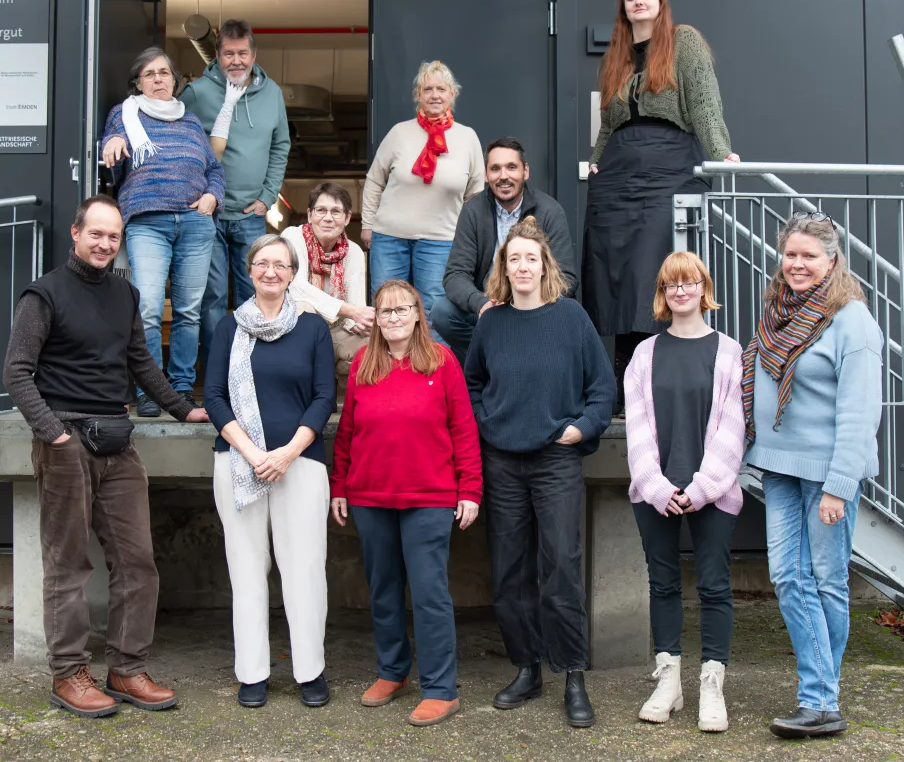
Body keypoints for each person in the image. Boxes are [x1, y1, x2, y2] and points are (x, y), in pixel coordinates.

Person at [2, 195, 209, 718]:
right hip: (65, 442)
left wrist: (184, 410)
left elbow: (141, 364)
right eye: (96, 234)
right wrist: (53, 434)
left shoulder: (125, 294)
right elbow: (16, 372)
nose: (105, 243)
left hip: (118, 442)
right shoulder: (43, 294)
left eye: (113, 236)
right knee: (68, 565)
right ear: (76, 234)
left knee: (138, 562)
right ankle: (69, 673)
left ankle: (127, 668)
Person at [463, 217, 616, 729]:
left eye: (531, 258)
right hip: (503, 460)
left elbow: (602, 388)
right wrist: (488, 425)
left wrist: (580, 429)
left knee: (561, 569)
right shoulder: (491, 322)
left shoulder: (570, 317)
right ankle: (527, 669)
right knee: (508, 572)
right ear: (502, 270)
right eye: (513, 259)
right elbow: (473, 383)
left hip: (555, 460)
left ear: (544, 265)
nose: (522, 266)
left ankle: (573, 674)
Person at [743, 213, 882, 739]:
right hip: (778, 467)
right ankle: (820, 695)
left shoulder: (852, 321)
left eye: (809, 256)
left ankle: (820, 700)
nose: (797, 265)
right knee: (787, 577)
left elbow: (860, 411)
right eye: (791, 254)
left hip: (827, 475)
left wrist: (839, 487)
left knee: (826, 583)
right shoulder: (778, 312)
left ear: (831, 260)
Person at [330, 280, 482, 727]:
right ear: (376, 317)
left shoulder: (442, 361)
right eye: (386, 311)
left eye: (403, 309)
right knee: (383, 590)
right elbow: (347, 433)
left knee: (430, 593)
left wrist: (470, 489)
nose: (394, 317)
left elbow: (464, 430)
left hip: (429, 497)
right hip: (370, 495)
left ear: (419, 314)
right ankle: (392, 672)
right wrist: (340, 486)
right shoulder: (363, 363)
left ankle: (440, 688)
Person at [584, 0, 740, 401]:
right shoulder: (613, 57)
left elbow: (705, 103)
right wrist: (596, 162)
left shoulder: (683, 41)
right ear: (624, 7)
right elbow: (607, 125)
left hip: (669, 166)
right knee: (615, 276)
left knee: (656, 270)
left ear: (660, 1)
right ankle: (623, 384)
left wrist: (720, 152)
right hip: (617, 174)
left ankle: (662, 379)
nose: (638, 2)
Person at [203, 234, 336, 710]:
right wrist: (253, 452)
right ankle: (253, 673)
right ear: (250, 270)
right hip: (238, 461)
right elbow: (214, 397)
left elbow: (324, 398)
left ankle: (309, 671)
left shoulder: (312, 327)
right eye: (263, 263)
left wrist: (285, 453)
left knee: (304, 570)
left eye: (281, 264)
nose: (271, 271)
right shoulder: (229, 328)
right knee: (247, 568)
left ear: (292, 272)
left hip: (299, 463)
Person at [623, 251, 745, 731]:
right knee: (663, 582)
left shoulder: (729, 352)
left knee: (714, 585)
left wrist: (702, 487)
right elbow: (635, 427)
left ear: (703, 289)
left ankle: (711, 685)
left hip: (712, 490)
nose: (681, 291)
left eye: (689, 282)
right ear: (663, 293)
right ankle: (668, 680)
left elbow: (735, 427)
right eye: (671, 284)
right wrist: (655, 486)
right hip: (656, 490)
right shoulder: (644, 354)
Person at [100, 47, 224, 417]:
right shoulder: (123, 116)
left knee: (188, 311)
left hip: (194, 222)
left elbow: (215, 170)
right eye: (150, 74)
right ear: (138, 82)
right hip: (147, 222)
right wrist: (112, 142)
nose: (158, 79)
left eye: (164, 73)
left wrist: (211, 199)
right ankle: (151, 389)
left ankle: (182, 388)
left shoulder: (190, 122)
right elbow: (109, 152)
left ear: (174, 80)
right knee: (150, 308)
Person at [182, 19, 292, 358]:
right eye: (228, 54)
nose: (236, 61)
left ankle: (255, 368)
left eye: (242, 53)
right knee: (212, 295)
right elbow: (180, 145)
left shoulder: (271, 93)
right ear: (217, 55)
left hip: (250, 214)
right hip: (208, 214)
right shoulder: (198, 92)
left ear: (253, 53)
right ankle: (219, 370)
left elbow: (280, 145)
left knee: (256, 292)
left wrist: (267, 196)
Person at [362, 60, 485, 339]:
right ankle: (386, 376)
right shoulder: (399, 133)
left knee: (435, 313)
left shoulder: (467, 138)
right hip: (389, 237)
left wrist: (469, 239)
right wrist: (367, 225)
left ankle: (433, 377)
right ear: (418, 95)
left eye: (441, 88)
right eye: (427, 89)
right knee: (387, 308)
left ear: (453, 94)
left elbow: (476, 195)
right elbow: (374, 181)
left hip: (442, 240)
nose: (435, 95)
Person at [432, 136, 578, 361]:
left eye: (511, 167)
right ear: (486, 174)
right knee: (442, 313)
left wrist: (531, 301)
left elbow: (566, 278)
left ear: (525, 171)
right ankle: (487, 361)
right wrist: (482, 304)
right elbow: (455, 274)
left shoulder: (550, 211)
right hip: (489, 304)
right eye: (495, 169)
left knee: (568, 310)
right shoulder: (473, 211)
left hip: (535, 305)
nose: (503, 177)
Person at [281, 181, 374, 390]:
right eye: (321, 210)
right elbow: (296, 287)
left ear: (348, 218)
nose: (328, 218)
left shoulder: (354, 252)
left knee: (372, 345)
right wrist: (351, 312)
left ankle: (341, 391)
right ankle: (315, 388)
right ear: (309, 214)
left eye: (336, 211)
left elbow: (356, 305)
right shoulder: (292, 237)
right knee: (304, 308)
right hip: (292, 333)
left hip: (336, 329)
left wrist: (357, 322)